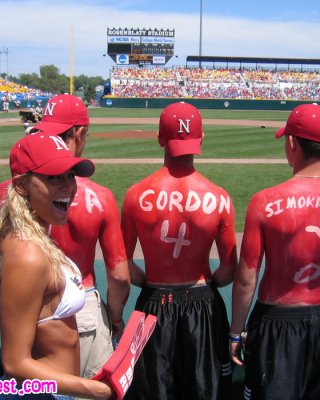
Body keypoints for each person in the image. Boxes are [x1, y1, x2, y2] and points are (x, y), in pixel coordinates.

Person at [121, 102, 237, 400]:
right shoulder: (219, 197)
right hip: (204, 304)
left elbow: (123, 265)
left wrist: (146, 281)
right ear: (201, 140)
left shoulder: (135, 196)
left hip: (153, 302)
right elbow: (228, 270)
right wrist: (210, 281)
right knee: (204, 388)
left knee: (153, 389)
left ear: (160, 137)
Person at [0, 133, 113, 398]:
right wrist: (92, 389)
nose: (68, 187)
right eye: (53, 177)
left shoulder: (35, 234)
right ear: (21, 186)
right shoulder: (27, 254)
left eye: (70, 175)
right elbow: (14, 363)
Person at [33, 94, 131, 380]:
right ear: (80, 133)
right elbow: (120, 276)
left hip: (28, 307)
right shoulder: (100, 196)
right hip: (83, 307)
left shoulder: (13, 191)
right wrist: (114, 318)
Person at [230, 103, 320, 400]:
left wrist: (235, 331)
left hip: (278, 322)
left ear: (292, 143)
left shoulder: (265, 201)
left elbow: (246, 278)